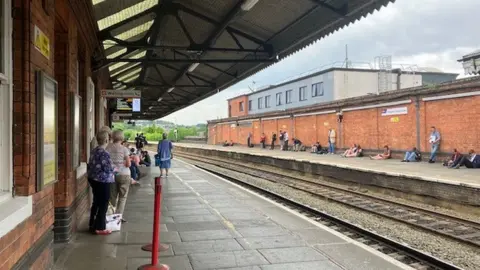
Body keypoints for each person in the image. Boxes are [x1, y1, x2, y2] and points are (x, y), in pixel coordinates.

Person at [87, 130, 114, 235]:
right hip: (103, 181)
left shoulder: (94, 151)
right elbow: (108, 169)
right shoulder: (104, 153)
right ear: (106, 139)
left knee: (96, 202)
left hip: (93, 180)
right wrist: (115, 168)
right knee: (103, 204)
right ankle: (100, 227)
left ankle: (92, 224)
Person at [106, 130, 131, 223]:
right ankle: (118, 217)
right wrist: (123, 162)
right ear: (122, 138)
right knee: (122, 197)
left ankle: (111, 215)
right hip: (124, 175)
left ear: (112, 137)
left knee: (112, 197)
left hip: (112, 175)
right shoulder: (124, 149)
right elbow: (128, 164)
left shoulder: (108, 148)